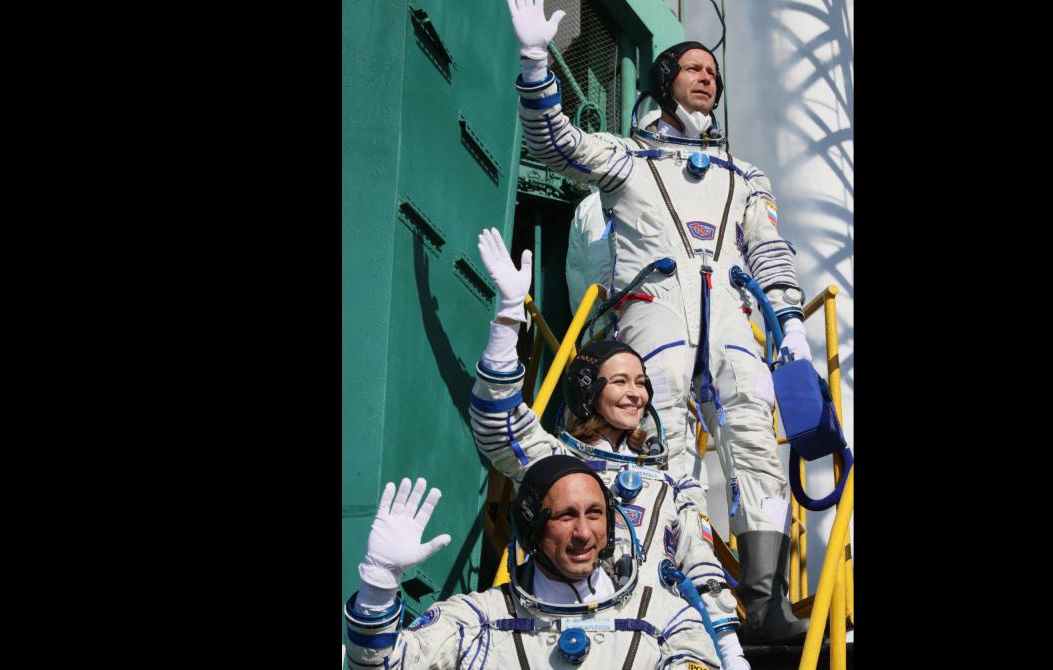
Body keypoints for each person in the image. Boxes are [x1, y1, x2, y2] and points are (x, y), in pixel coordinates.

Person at [505, 0, 812, 643]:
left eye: (713, 72)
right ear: (662, 81)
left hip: (730, 310)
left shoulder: (744, 175)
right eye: (691, 68)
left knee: (754, 430)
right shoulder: (628, 159)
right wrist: (537, 63)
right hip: (654, 310)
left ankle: (764, 598)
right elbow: (552, 142)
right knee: (663, 436)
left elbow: (770, 252)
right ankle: (678, 585)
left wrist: (793, 327)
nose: (706, 77)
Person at [471, 227, 749, 670]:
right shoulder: (558, 466)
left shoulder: (674, 479)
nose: (636, 394)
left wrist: (730, 652)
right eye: (620, 381)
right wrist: (507, 318)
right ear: (587, 392)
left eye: (641, 383)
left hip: (650, 647)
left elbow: (699, 566)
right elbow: (496, 422)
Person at [343, 457, 722, 670]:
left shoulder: (666, 620)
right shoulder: (478, 621)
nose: (584, 533)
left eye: (595, 513)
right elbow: (382, 665)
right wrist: (379, 585)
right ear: (531, 528)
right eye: (565, 517)